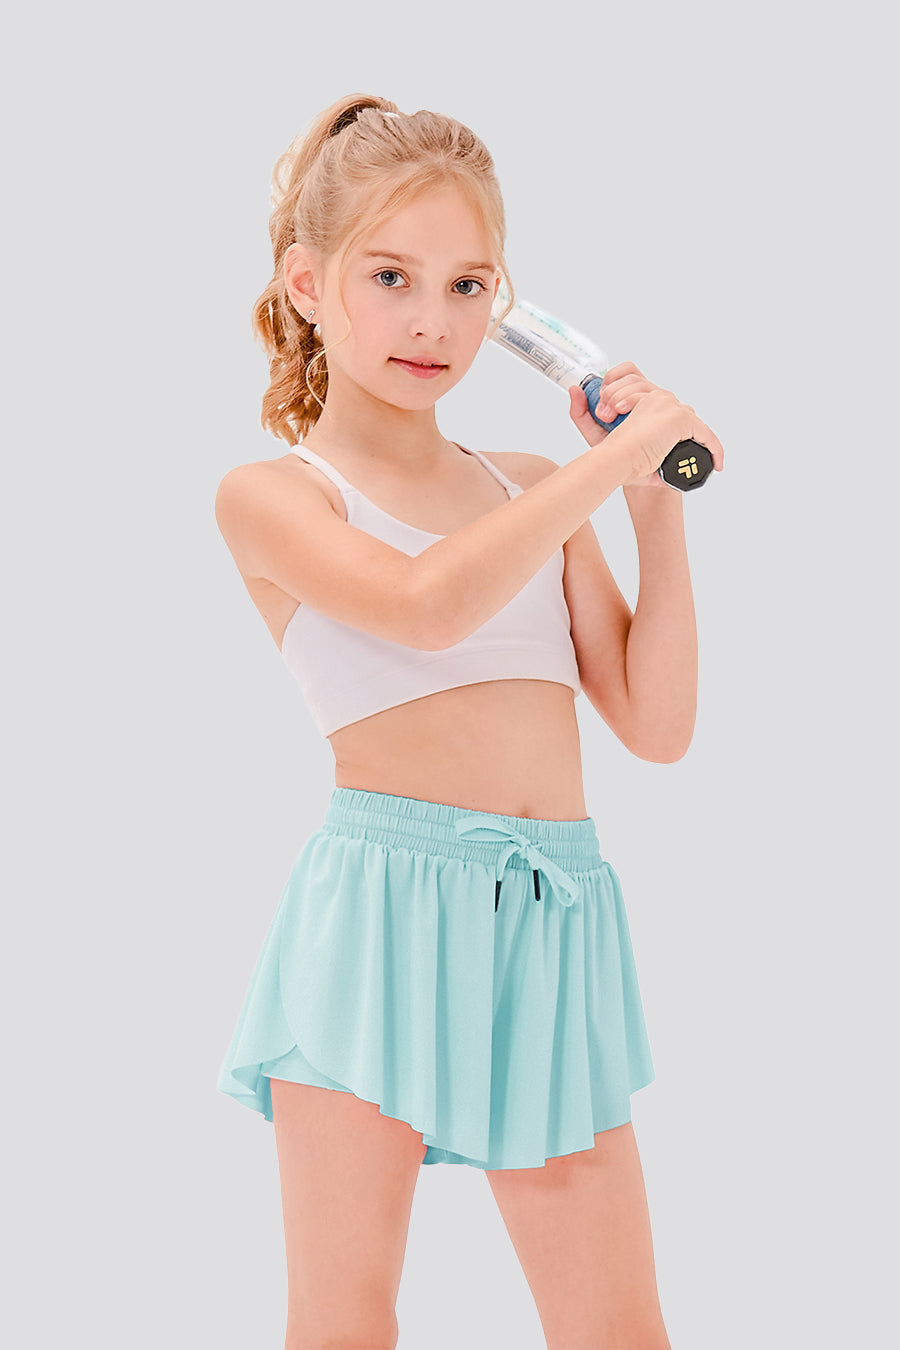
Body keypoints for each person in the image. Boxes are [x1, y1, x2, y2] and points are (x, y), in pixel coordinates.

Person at [215, 92, 724, 1350]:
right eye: (391, 276)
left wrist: (654, 503)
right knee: (347, 1323)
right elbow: (426, 608)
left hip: (555, 918)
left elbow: (655, 727)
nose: (432, 321)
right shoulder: (277, 497)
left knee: (619, 1328)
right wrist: (613, 465)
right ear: (310, 283)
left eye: (468, 285)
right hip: (379, 913)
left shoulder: (530, 488)